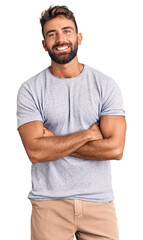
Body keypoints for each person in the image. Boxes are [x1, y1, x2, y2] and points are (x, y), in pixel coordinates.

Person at [16, 5, 126, 240]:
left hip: (99, 203)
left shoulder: (105, 86)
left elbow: (115, 149)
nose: (60, 39)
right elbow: (35, 151)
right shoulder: (30, 90)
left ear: (79, 37)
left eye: (66, 31)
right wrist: (88, 134)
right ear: (44, 44)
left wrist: (53, 143)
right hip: (49, 204)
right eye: (51, 34)